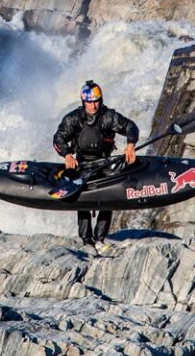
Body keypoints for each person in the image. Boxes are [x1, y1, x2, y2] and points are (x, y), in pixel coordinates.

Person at [52, 80, 139, 246]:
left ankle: (100, 239)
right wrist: (68, 155)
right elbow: (58, 138)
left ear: (101, 100)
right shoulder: (74, 118)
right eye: (89, 102)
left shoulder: (109, 116)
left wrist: (130, 145)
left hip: (104, 163)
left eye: (96, 101)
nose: (93, 106)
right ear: (83, 101)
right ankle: (86, 240)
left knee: (109, 194)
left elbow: (130, 126)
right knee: (81, 194)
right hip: (81, 163)